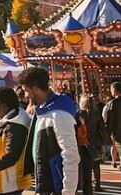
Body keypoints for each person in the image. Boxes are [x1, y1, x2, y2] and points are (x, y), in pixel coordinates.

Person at [19, 66, 80, 195]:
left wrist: (68, 191)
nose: (26, 95)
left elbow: (70, 154)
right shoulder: (42, 111)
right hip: (47, 184)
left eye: (26, 91)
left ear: (35, 89)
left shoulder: (58, 115)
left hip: (55, 187)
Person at [80, 95, 105, 193]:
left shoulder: (80, 114)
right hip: (96, 141)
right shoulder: (97, 113)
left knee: (86, 166)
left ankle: (86, 185)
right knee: (96, 165)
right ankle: (97, 184)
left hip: (84, 142)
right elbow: (102, 128)